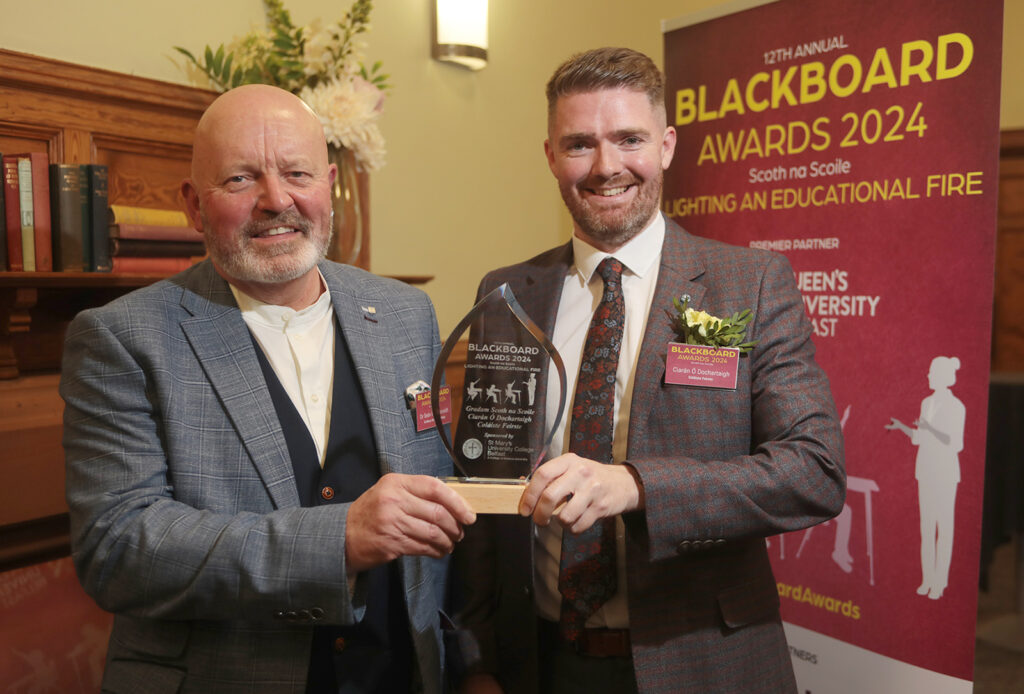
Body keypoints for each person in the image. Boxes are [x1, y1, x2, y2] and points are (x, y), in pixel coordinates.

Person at [451, 47, 846, 694]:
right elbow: (483, 481)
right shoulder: (508, 293)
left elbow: (814, 471)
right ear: (550, 157)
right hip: (542, 663)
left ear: (665, 145)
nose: (606, 167)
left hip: (702, 661)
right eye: (580, 144)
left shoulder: (748, 285)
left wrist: (635, 487)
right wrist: (478, 659)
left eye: (628, 139)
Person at [60, 84, 476, 694]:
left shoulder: (406, 313)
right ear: (192, 205)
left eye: (297, 173)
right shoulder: (122, 337)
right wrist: (339, 539)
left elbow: (442, 504)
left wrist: (473, 661)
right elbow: (118, 548)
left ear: (329, 185)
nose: (276, 199)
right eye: (239, 180)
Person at [885, 356, 965, 600]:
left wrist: (930, 429)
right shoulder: (926, 402)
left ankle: (940, 583)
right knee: (927, 528)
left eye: (931, 372)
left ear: (941, 376)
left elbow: (956, 443)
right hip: (926, 471)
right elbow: (920, 438)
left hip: (946, 473)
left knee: (945, 529)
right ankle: (927, 579)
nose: (928, 376)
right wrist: (902, 428)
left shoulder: (956, 406)